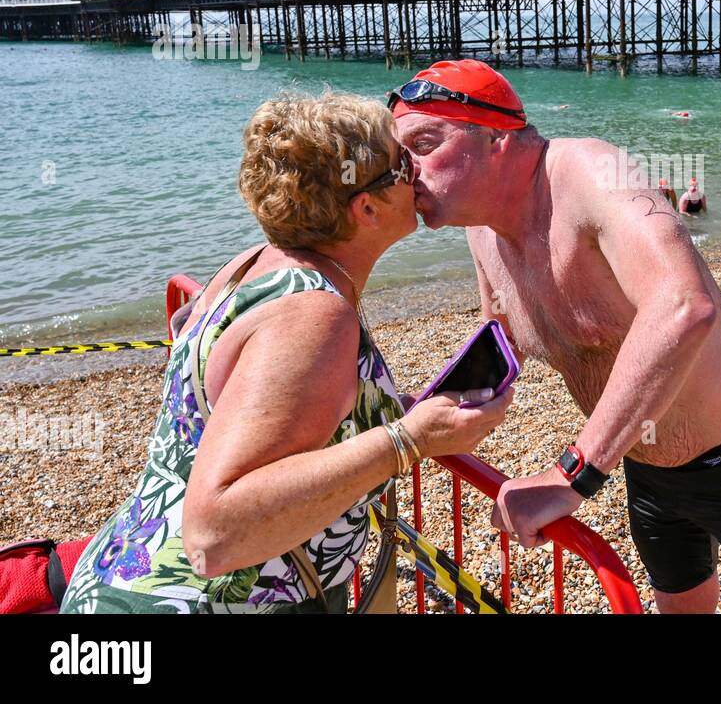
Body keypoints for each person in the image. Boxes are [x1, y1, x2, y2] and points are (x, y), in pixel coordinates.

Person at [60, 92, 510, 613]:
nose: (419, 172)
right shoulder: (313, 314)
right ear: (366, 207)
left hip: (125, 571)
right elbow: (214, 533)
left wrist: (385, 413)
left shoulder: (253, 264)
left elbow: (256, 411)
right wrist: (408, 440)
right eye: (402, 164)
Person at [391, 60, 721, 614]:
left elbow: (682, 307)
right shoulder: (482, 232)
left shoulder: (586, 171)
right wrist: (412, 419)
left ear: (497, 138)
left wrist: (572, 476)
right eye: (400, 156)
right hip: (643, 461)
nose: (406, 171)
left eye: (423, 143)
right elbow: (503, 337)